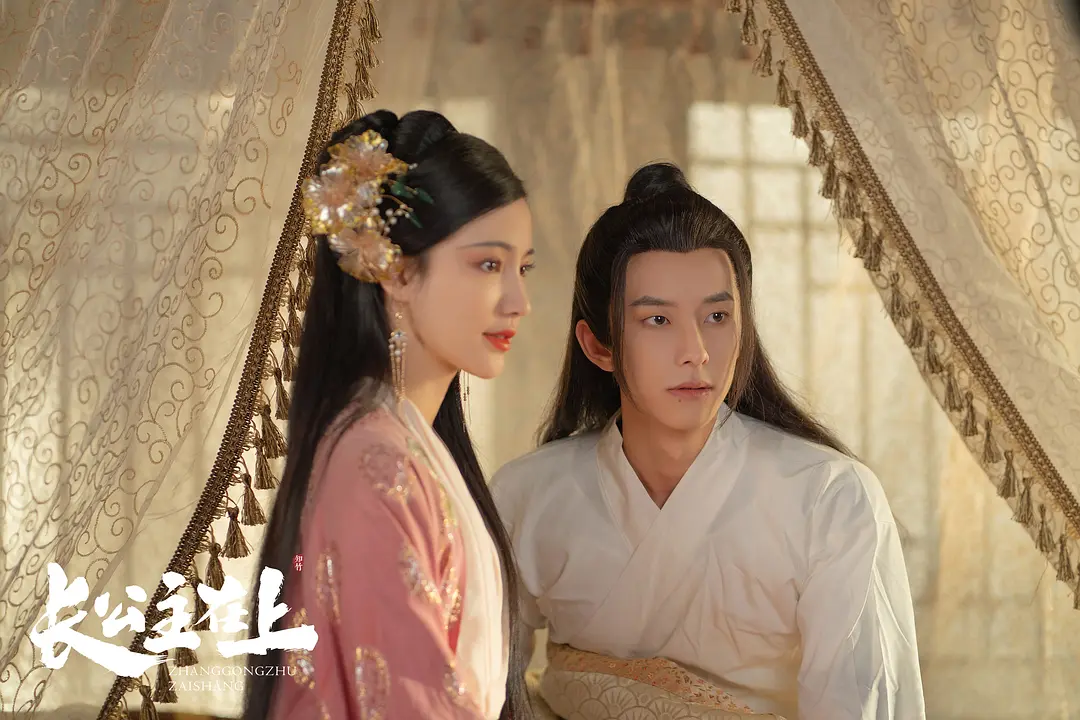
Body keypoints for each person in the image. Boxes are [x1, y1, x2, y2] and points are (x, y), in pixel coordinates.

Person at [491, 163, 925, 720]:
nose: (695, 351)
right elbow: (480, 690)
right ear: (598, 345)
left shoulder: (829, 498)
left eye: (717, 315)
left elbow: (858, 705)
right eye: (657, 320)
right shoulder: (527, 494)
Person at [242, 109, 535, 720]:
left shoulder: (396, 445)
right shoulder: (373, 462)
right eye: (489, 264)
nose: (519, 301)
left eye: (522, 267)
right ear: (397, 271)